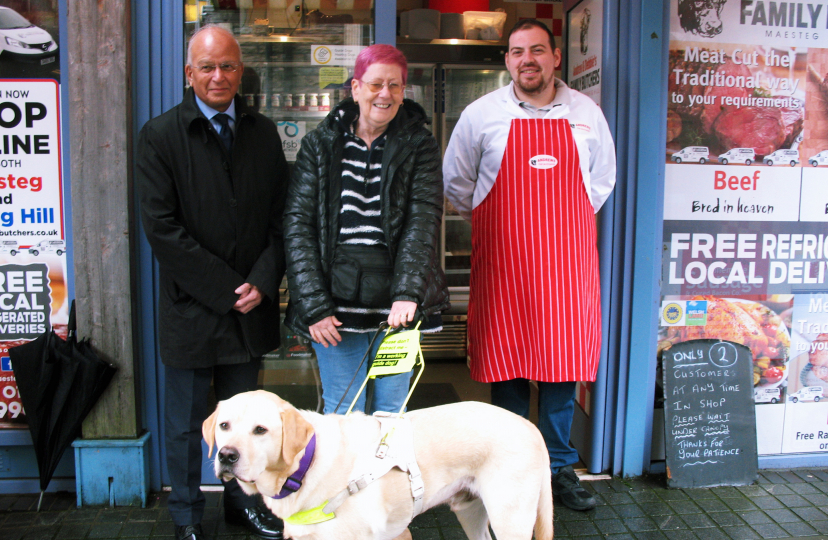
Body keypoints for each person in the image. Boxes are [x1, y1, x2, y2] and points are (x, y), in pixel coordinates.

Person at [443, 19, 617, 512]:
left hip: (567, 262)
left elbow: (601, 181)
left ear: (555, 57)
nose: (528, 60)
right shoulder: (481, 115)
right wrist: (494, 219)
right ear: (507, 61)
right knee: (509, 368)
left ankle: (559, 467)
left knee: (563, 369)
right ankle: (508, 469)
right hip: (504, 264)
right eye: (518, 52)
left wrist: (564, 221)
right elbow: (456, 182)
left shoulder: (587, 114)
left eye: (537, 50)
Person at [136, 25, 288, 540]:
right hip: (192, 311)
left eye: (227, 66)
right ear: (189, 73)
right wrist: (227, 289)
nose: (218, 76)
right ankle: (185, 517)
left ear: (239, 71)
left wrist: (263, 280)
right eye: (207, 67)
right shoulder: (159, 136)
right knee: (184, 429)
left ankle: (243, 506)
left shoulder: (263, 132)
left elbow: (280, 217)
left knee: (247, 428)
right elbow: (162, 230)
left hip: (250, 309)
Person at [284, 44, 449, 415]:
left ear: (403, 91)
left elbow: (423, 220)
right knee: (343, 415)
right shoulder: (319, 144)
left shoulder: (420, 145)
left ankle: (388, 476)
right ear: (355, 88)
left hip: (398, 307)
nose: (385, 94)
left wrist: (408, 293)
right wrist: (313, 306)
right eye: (376, 84)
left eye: (394, 85)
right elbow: (298, 226)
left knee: (391, 414)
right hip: (335, 308)